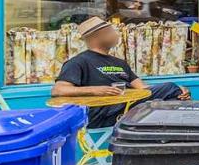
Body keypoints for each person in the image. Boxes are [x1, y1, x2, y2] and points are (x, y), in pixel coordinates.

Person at [52, 17, 189, 127]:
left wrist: (177, 90)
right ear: (95, 37)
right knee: (170, 88)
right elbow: (58, 90)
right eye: (110, 32)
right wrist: (96, 90)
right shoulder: (79, 62)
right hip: (102, 112)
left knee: (175, 96)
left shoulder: (120, 63)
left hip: (128, 107)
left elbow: (143, 89)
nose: (116, 35)